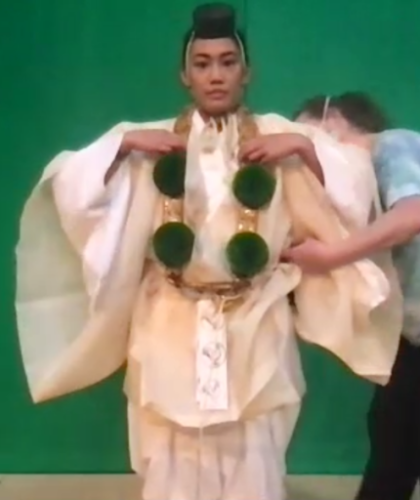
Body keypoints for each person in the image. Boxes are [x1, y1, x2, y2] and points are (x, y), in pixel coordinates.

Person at [15, 9, 401, 499]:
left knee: (254, 453)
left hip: (255, 319)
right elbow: (72, 189)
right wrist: (123, 145)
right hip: (169, 320)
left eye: (226, 62)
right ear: (185, 74)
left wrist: (305, 147)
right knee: (170, 455)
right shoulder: (151, 138)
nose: (215, 74)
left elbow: (354, 188)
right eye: (201, 63)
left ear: (247, 71)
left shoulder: (279, 134)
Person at [290, 91, 420, 500]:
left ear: (337, 124)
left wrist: (328, 256)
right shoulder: (359, 200)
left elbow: (413, 214)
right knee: (392, 433)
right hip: (412, 338)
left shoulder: (391, 145)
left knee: (394, 436)